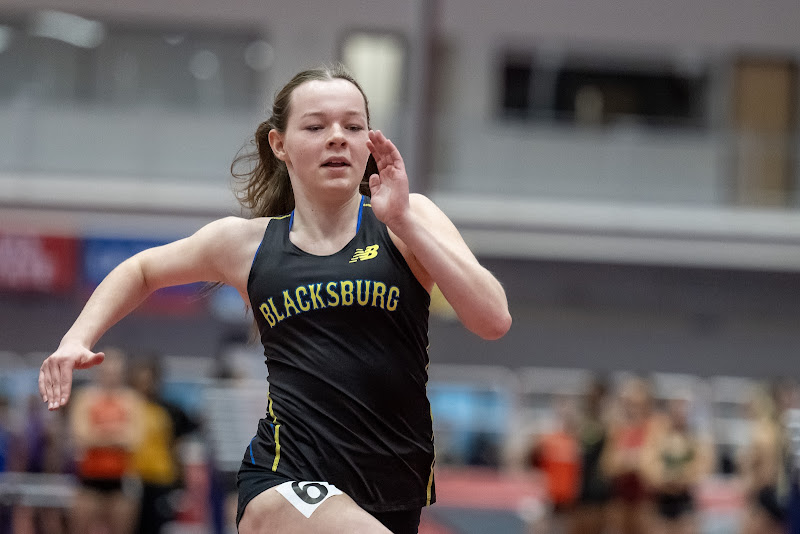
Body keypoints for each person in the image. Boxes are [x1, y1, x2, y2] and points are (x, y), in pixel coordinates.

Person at [38, 64, 512, 534]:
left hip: (393, 487)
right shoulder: (246, 244)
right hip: (285, 481)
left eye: (353, 125)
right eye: (315, 125)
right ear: (279, 144)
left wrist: (404, 221)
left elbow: (492, 319)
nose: (337, 137)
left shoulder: (411, 219)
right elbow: (141, 269)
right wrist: (76, 338)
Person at [67, 347, 143, 534]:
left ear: (122, 373)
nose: (111, 375)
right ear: (99, 372)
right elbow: (81, 437)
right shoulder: (85, 399)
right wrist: (117, 434)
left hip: (120, 481)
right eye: (107, 371)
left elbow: (134, 440)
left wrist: (99, 434)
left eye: (115, 371)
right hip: (89, 479)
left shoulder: (131, 400)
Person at [129, 354, 199, 534]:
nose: (145, 384)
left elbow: (178, 447)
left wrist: (181, 485)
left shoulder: (171, 410)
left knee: (158, 526)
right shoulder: (125, 406)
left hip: (162, 478)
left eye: (148, 379)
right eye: (140, 380)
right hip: (131, 478)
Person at [641, 394, 714, 534]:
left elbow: (703, 466)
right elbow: (648, 463)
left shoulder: (696, 437)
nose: (680, 413)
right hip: (661, 499)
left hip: (685, 499)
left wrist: (680, 478)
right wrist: (664, 477)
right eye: (676, 408)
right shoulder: (658, 434)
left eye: (683, 409)